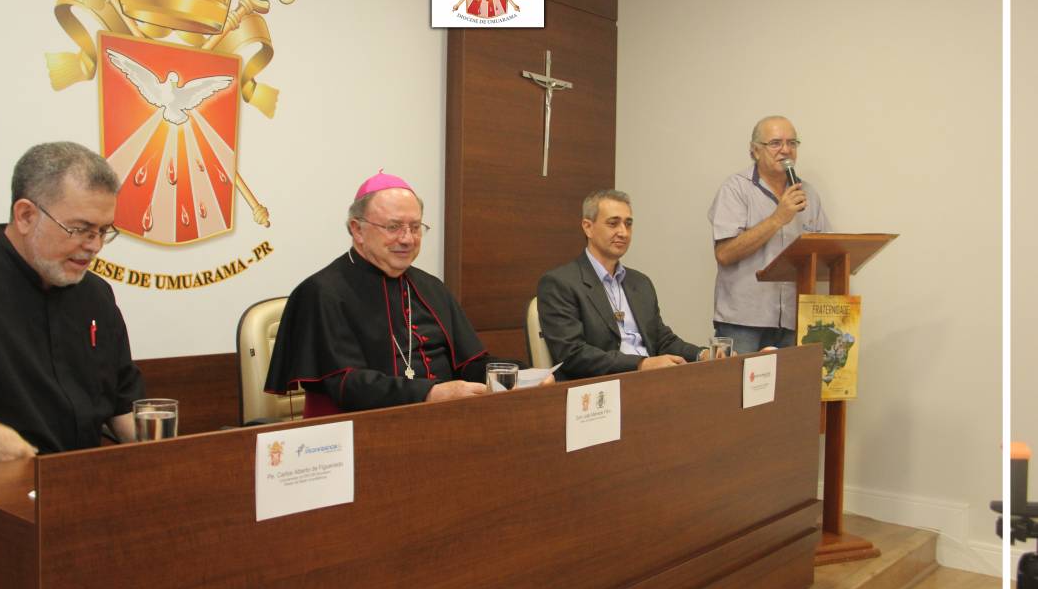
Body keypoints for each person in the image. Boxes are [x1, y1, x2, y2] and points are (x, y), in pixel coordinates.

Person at [0, 141, 144, 470]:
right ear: (25, 216)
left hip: (80, 487)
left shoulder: (97, 297)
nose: (94, 246)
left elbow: (123, 406)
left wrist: (164, 456)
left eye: (103, 231)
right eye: (80, 229)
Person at [266, 171, 523, 411]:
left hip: (446, 421)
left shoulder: (432, 288)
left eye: (415, 227)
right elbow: (347, 383)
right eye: (393, 227)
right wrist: (430, 393)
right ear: (358, 230)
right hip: (363, 432)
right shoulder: (321, 292)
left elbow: (469, 364)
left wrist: (522, 375)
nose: (407, 239)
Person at [537, 189, 709, 382]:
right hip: (600, 388)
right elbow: (572, 354)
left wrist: (702, 355)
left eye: (628, 224)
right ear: (588, 227)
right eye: (613, 223)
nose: (623, 232)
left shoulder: (640, 283)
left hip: (652, 381)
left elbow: (661, 339)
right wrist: (641, 364)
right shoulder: (560, 283)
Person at [708, 115, 832, 352]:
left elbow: (826, 252)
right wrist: (777, 218)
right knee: (736, 389)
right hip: (742, 322)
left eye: (792, 143)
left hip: (794, 320)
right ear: (755, 151)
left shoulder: (807, 193)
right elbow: (724, 253)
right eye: (775, 143)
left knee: (790, 389)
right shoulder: (735, 189)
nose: (785, 150)